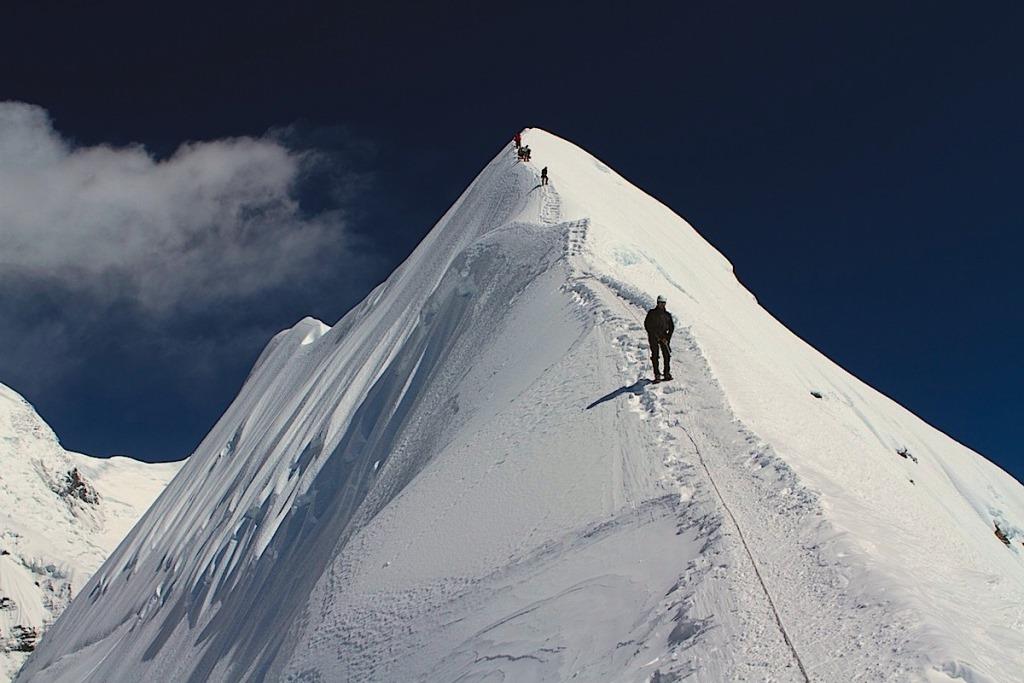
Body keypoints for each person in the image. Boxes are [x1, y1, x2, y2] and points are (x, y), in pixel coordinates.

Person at [644, 295, 674, 381]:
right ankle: (657, 374)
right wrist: (654, 335)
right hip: (653, 337)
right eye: (661, 303)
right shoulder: (651, 313)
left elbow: (671, 327)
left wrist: (667, 338)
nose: (662, 305)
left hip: (664, 336)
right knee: (655, 355)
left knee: (667, 355)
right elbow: (647, 325)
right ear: (657, 303)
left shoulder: (667, 315)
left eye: (664, 303)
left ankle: (666, 373)